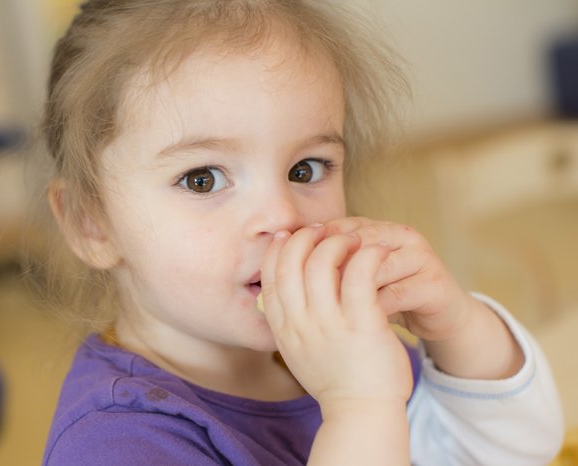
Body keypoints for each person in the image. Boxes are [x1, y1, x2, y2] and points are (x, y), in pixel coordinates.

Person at [38, 0, 564, 464]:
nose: (282, 216)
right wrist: (359, 408)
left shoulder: (331, 346)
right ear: (92, 223)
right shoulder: (114, 445)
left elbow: (511, 453)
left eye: (306, 169)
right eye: (203, 179)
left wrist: (456, 327)